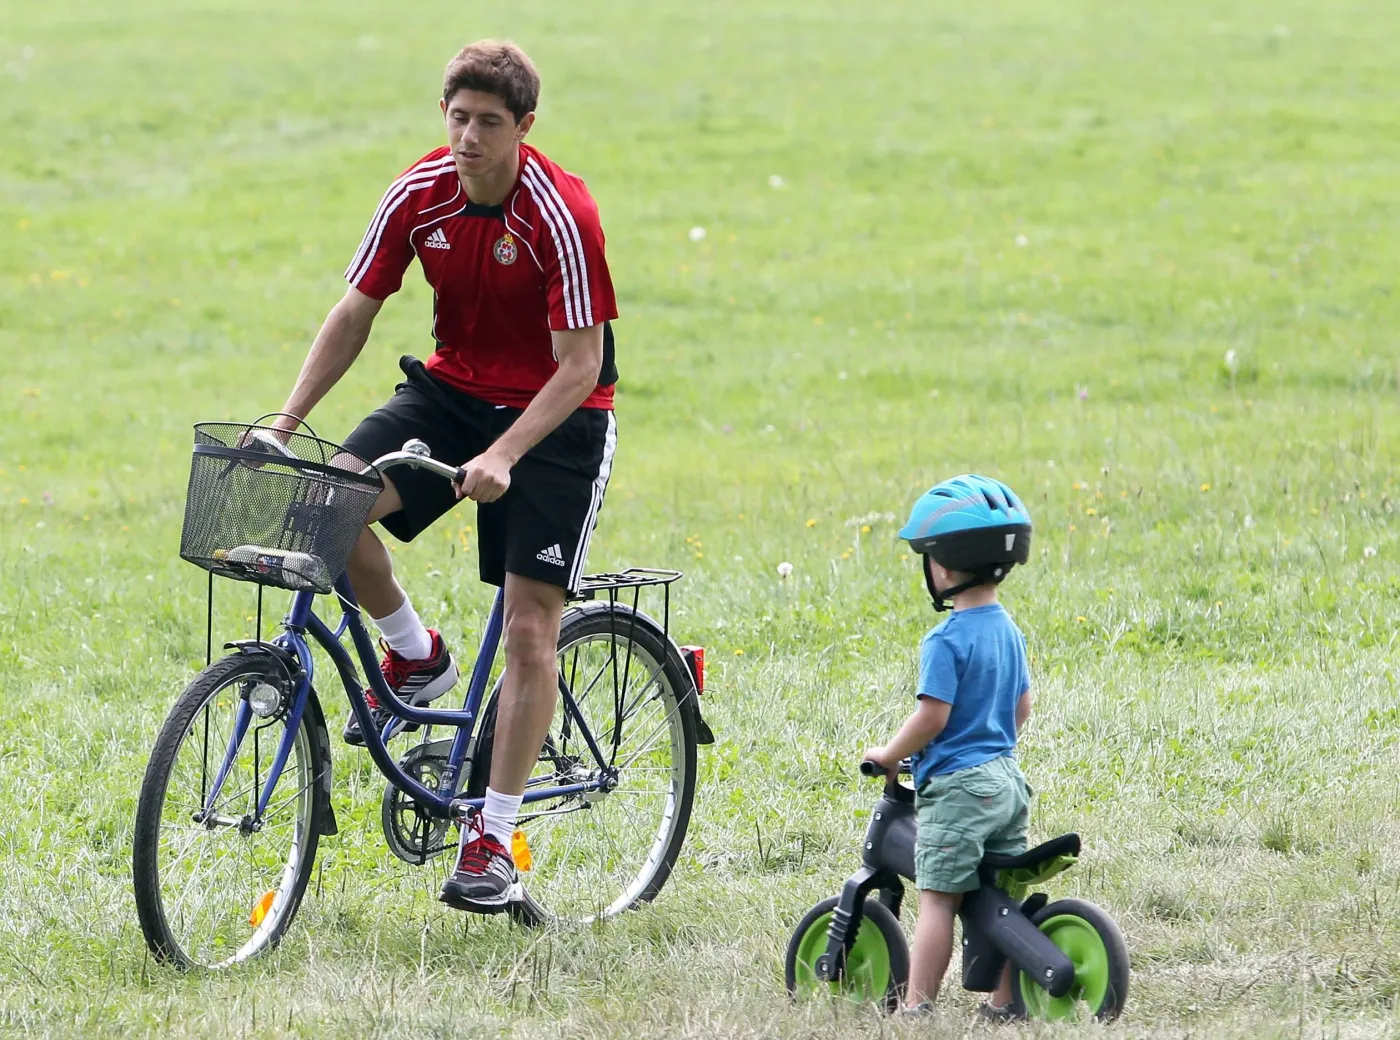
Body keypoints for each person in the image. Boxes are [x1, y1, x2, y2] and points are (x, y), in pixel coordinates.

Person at [269, 39, 619, 912]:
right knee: (328, 505)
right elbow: (356, 310)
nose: (468, 138)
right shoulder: (419, 192)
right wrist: (286, 421)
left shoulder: (562, 214)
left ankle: (493, 835)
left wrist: (506, 454)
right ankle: (417, 654)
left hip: (559, 416)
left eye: (489, 123)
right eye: (458, 118)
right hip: (452, 393)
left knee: (530, 630)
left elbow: (581, 365)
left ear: (524, 126)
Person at [861, 475, 1035, 1019]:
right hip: (1007, 782)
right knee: (998, 899)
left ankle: (917, 1005)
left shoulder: (946, 639)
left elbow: (931, 717)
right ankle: (1004, 1002)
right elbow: (1022, 707)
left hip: (959, 791)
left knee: (938, 899)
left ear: (943, 566)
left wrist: (889, 754)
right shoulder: (1008, 631)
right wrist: (989, 742)